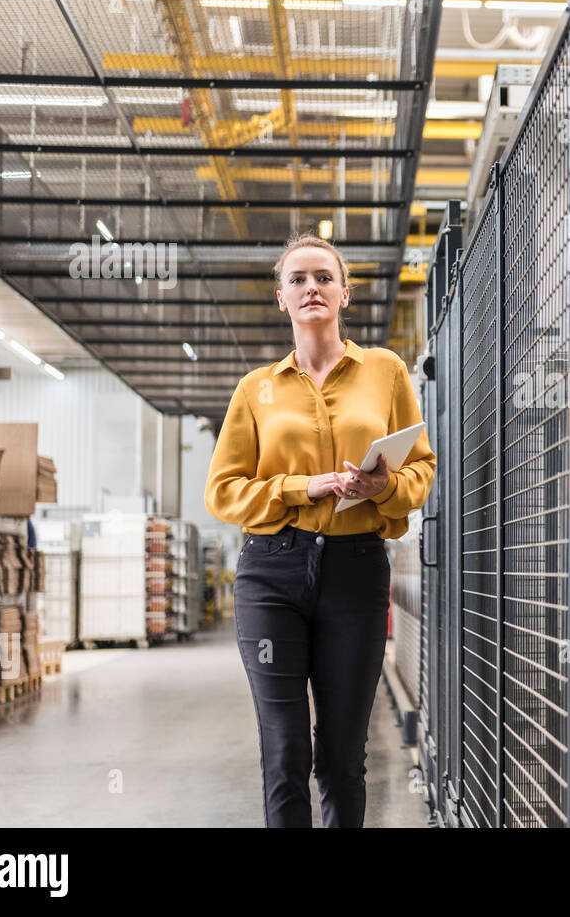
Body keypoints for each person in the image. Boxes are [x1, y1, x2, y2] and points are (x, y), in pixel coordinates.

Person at [203, 233, 436, 827]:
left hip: (355, 571)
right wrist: (301, 488)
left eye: (324, 278)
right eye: (299, 279)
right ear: (281, 297)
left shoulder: (384, 371)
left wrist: (380, 488)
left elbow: (422, 468)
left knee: (340, 758)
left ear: (344, 294)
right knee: (284, 751)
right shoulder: (255, 390)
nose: (312, 287)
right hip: (271, 573)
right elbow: (222, 491)